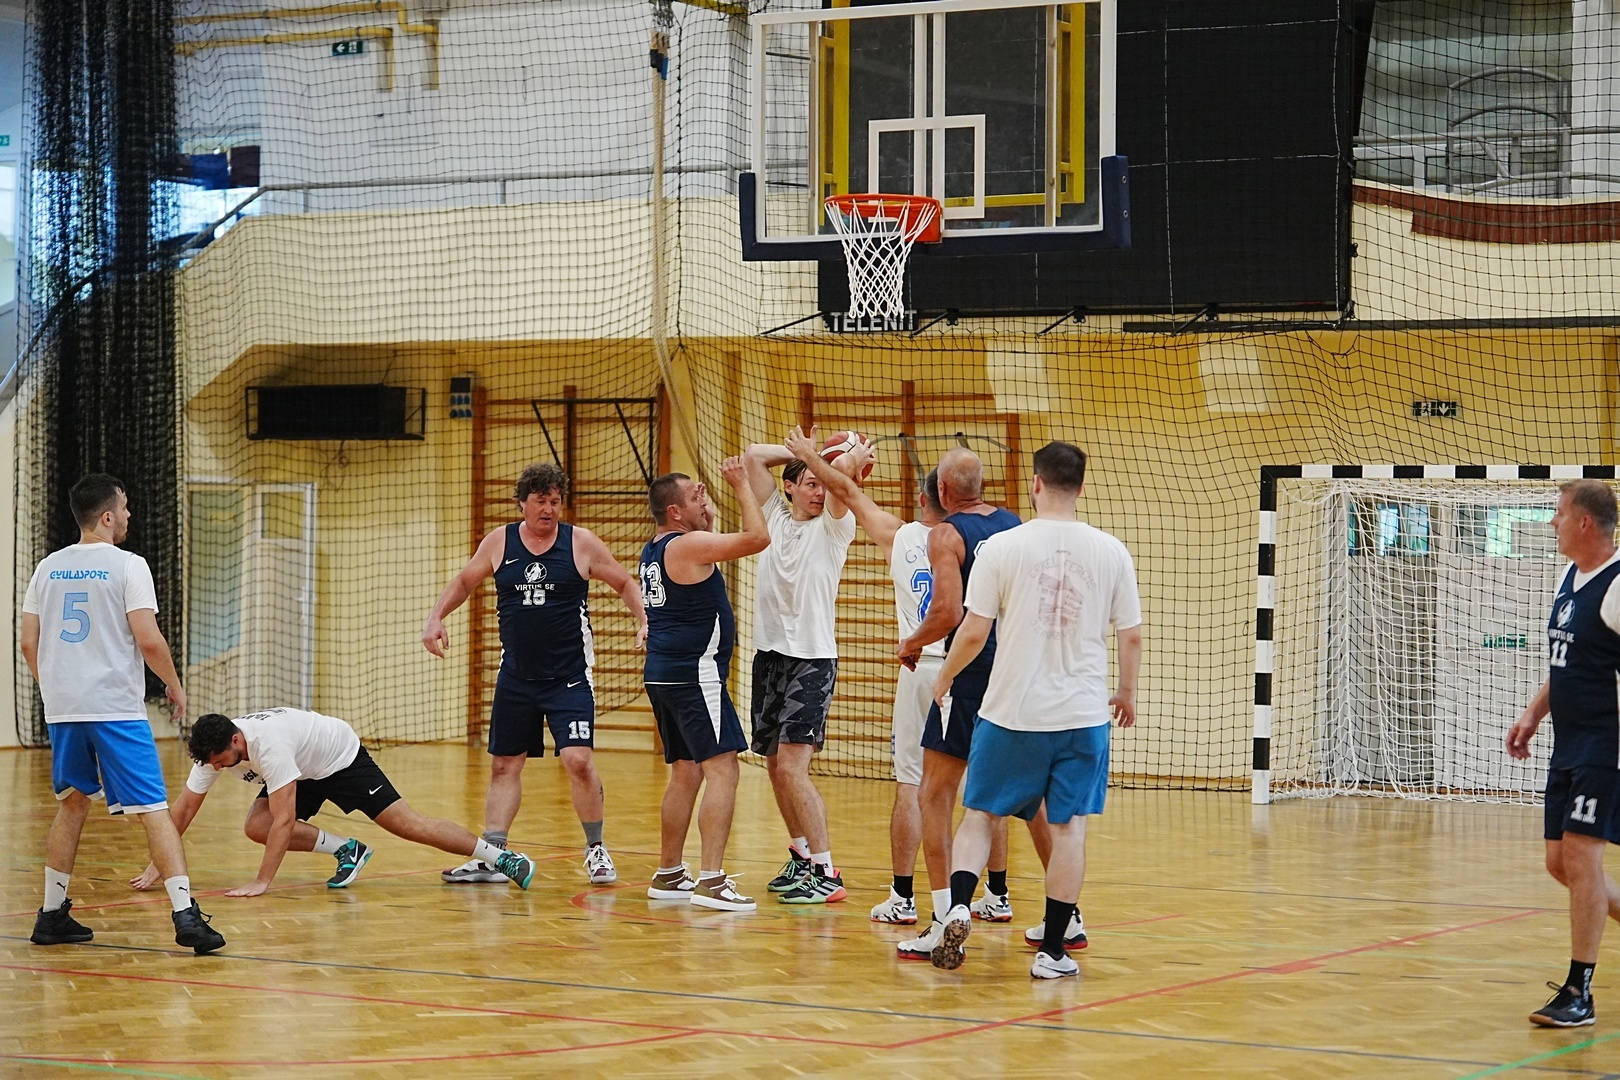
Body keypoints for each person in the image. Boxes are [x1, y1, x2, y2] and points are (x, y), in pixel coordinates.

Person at [926, 442, 1141, 977]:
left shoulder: (1002, 547)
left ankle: (958, 907)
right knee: (1067, 829)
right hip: (1082, 716)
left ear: (1036, 484)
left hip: (1010, 713)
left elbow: (973, 631)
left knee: (980, 816)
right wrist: (1125, 692)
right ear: (1081, 488)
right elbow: (1132, 636)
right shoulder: (1112, 550)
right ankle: (1054, 951)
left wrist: (945, 676)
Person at [22, 473, 225, 955]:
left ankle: (51, 915)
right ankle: (185, 915)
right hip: (114, 706)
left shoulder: (46, 567)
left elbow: (29, 643)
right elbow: (148, 639)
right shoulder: (128, 565)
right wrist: (174, 686)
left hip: (64, 708)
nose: (130, 515)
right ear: (108, 516)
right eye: (126, 507)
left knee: (72, 802)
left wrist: (58, 689)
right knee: (152, 807)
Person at [422, 462, 646, 887]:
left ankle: (596, 849)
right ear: (522, 503)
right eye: (541, 501)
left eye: (555, 501)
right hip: (517, 677)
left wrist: (643, 619)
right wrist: (435, 617)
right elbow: (465, 582)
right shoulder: (499, 541)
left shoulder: (580, 542)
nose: (549, 509)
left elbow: (623, 583)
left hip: (569, 677)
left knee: (578, 760)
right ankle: (493, 855)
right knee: (504, 765)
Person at [784, 426, 943, 925]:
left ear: (923, 499)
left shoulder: (903, 535)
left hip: (922, 666)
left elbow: (846, 494)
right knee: (985, 794)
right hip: (973, 669)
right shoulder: (986, 542)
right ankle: (996, 892)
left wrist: (825, 459)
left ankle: (903, 897)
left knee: (911, 785)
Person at [892, 447, 1043, 960]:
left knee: (935, 793)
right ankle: (1064, 914)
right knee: (1028, 798)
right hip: (1017, 673)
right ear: (982, 485)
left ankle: (943, 915)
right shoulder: (1014, 526)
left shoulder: (945, 535)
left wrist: (912, 642)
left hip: (971, 672)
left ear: (941, 492)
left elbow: (948, 612)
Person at [132, 709, 537, 895]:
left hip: (339, 757)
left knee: (409, 825)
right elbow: (184, 809)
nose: (218, 768)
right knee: (256, 825)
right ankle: (348, 850)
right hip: (303, 767)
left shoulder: (269, 746)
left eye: (222, 760)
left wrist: (262, 882)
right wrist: (161, 861)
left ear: (236, 740)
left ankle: (502, 859)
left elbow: (285, 821)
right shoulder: (213, 753)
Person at [1507, 479, 1620, 1027]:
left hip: (1608, 742)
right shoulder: (1569, 579)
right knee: (1561, 864)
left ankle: (1579, 991)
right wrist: (1533, 714)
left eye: (1558, 513)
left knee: (1580, 856)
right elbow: (1567, 665)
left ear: (1583, 522)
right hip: (1568, 741)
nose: (1552, 523)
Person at [641, 459, 768, 911]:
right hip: (695, 675)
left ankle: (669, 872)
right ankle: (712, 879)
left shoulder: (655, 548)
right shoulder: (689, 544)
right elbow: (758, 538)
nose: (704, 499)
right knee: (724, 768)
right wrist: (741, 485)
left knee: (686, 770)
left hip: (664, 672)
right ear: (675, 512)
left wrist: (708, 519)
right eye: (696, 497)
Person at [742, 434, 862, 903]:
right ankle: (802, 856)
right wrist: (800, 451)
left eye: (823, 483)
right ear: (789, 487)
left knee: (793, 768)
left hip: (811, 660)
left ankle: (827, 872)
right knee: (775, 766)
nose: (819, 491)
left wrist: (831, 458)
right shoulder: (773, 514)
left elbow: (842, 478)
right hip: (769, 656)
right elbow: (754, 457)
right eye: (810, 483)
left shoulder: (834, 525)